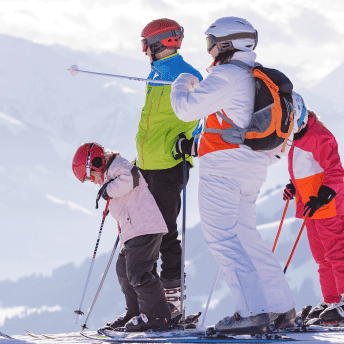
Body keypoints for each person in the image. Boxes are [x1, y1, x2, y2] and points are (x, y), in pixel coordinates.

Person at [168, 17, 296, 333]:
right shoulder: (254, 76)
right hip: (252, 168)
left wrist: (181, 83)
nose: (208, 49)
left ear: (227, 44)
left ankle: (252, 312)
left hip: (223, 170)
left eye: (210, 42)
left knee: (223, 239)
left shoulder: (226, 75)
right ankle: (280, 308)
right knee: (247, 237)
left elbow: (186, 109)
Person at [133, 18, 204, 324]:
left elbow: (205, 115)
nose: (144, 51)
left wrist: (190, 142)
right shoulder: (157, 74)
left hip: (169, 165)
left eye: (145, 45)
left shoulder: (187, 76)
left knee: (165, 233)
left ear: (157, 43)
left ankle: (171, 303)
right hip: (147, 164)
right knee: (143, 233)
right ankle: (149, 305)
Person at [282, 95, 344, 325]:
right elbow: (307, 170)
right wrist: (293, 187)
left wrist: (322, 197)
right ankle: (333, 300)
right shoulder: (297, 138)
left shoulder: (319, 136)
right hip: (312, 208)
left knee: (337, 252)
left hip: (327, 207)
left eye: (289, 122)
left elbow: (335, 170)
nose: (287, 128)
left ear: (299, 117)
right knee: (322, 258)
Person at [72, 143, 171, 332]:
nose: (93, 182)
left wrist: (108, 190)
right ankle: (135, 312)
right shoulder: (111, 173)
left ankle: (157, 316)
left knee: (138, 272)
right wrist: (107, 188)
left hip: (144, 228)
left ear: (96, 163)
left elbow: (131, 178)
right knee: (123, 269)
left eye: (90, 176)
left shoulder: (118, 166)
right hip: (134, 231)